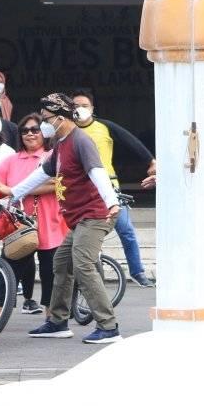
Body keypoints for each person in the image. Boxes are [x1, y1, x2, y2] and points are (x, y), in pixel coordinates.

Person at [9, 93, 127, 344]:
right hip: (80, 218)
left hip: (96, 214)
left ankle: (109, 326)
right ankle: (57, 321)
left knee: (82, 263)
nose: (43, 125)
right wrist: (10, 196)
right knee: (61, 263)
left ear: (61, 119)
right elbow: (40, 174)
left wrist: (112, 202)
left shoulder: (80, 141)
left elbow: (97, 171)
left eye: (46, 119)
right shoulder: (61, 143)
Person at [69, 87, 157, 287]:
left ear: (92, 108)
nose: (80, 109)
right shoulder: (67, 131)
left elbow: (131, 142)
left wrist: (151, 161)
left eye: (84, 106)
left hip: (109, 188)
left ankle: (137, 271)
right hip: (79, 192)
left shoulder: (104, 127)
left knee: (126, 230)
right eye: (76, 106)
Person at [0, 113, 64, 315]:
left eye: (35, 130)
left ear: (44, 133)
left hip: (51, 224)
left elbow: (58, 183)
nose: (30, 134)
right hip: (19, 226)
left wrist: (15, 189)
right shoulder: (12, 160)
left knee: (49, 273)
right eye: (25, 131)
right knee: (7, 270)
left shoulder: (53, 156)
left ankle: (51, 320)